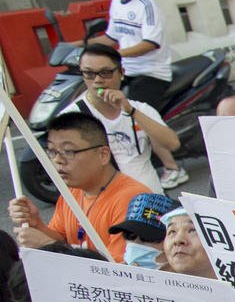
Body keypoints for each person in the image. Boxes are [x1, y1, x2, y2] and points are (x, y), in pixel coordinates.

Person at [7, 112, 145, 261]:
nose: (58, 160)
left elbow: (116, 272)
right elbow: (62, 238)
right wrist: (37, 223)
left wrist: (47, 244)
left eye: (69, 151)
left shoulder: (133, 200)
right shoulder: (72, 192)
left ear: (103, 155)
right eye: (52, 152)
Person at [69, 42, 178, 193]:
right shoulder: (71, 118)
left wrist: (131, 111)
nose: (97, 80)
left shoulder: (140, 109)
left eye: (105, 72)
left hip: (153, 203)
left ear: (121, 73)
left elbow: (172, 143)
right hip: (112, 209)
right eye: (89, 73)